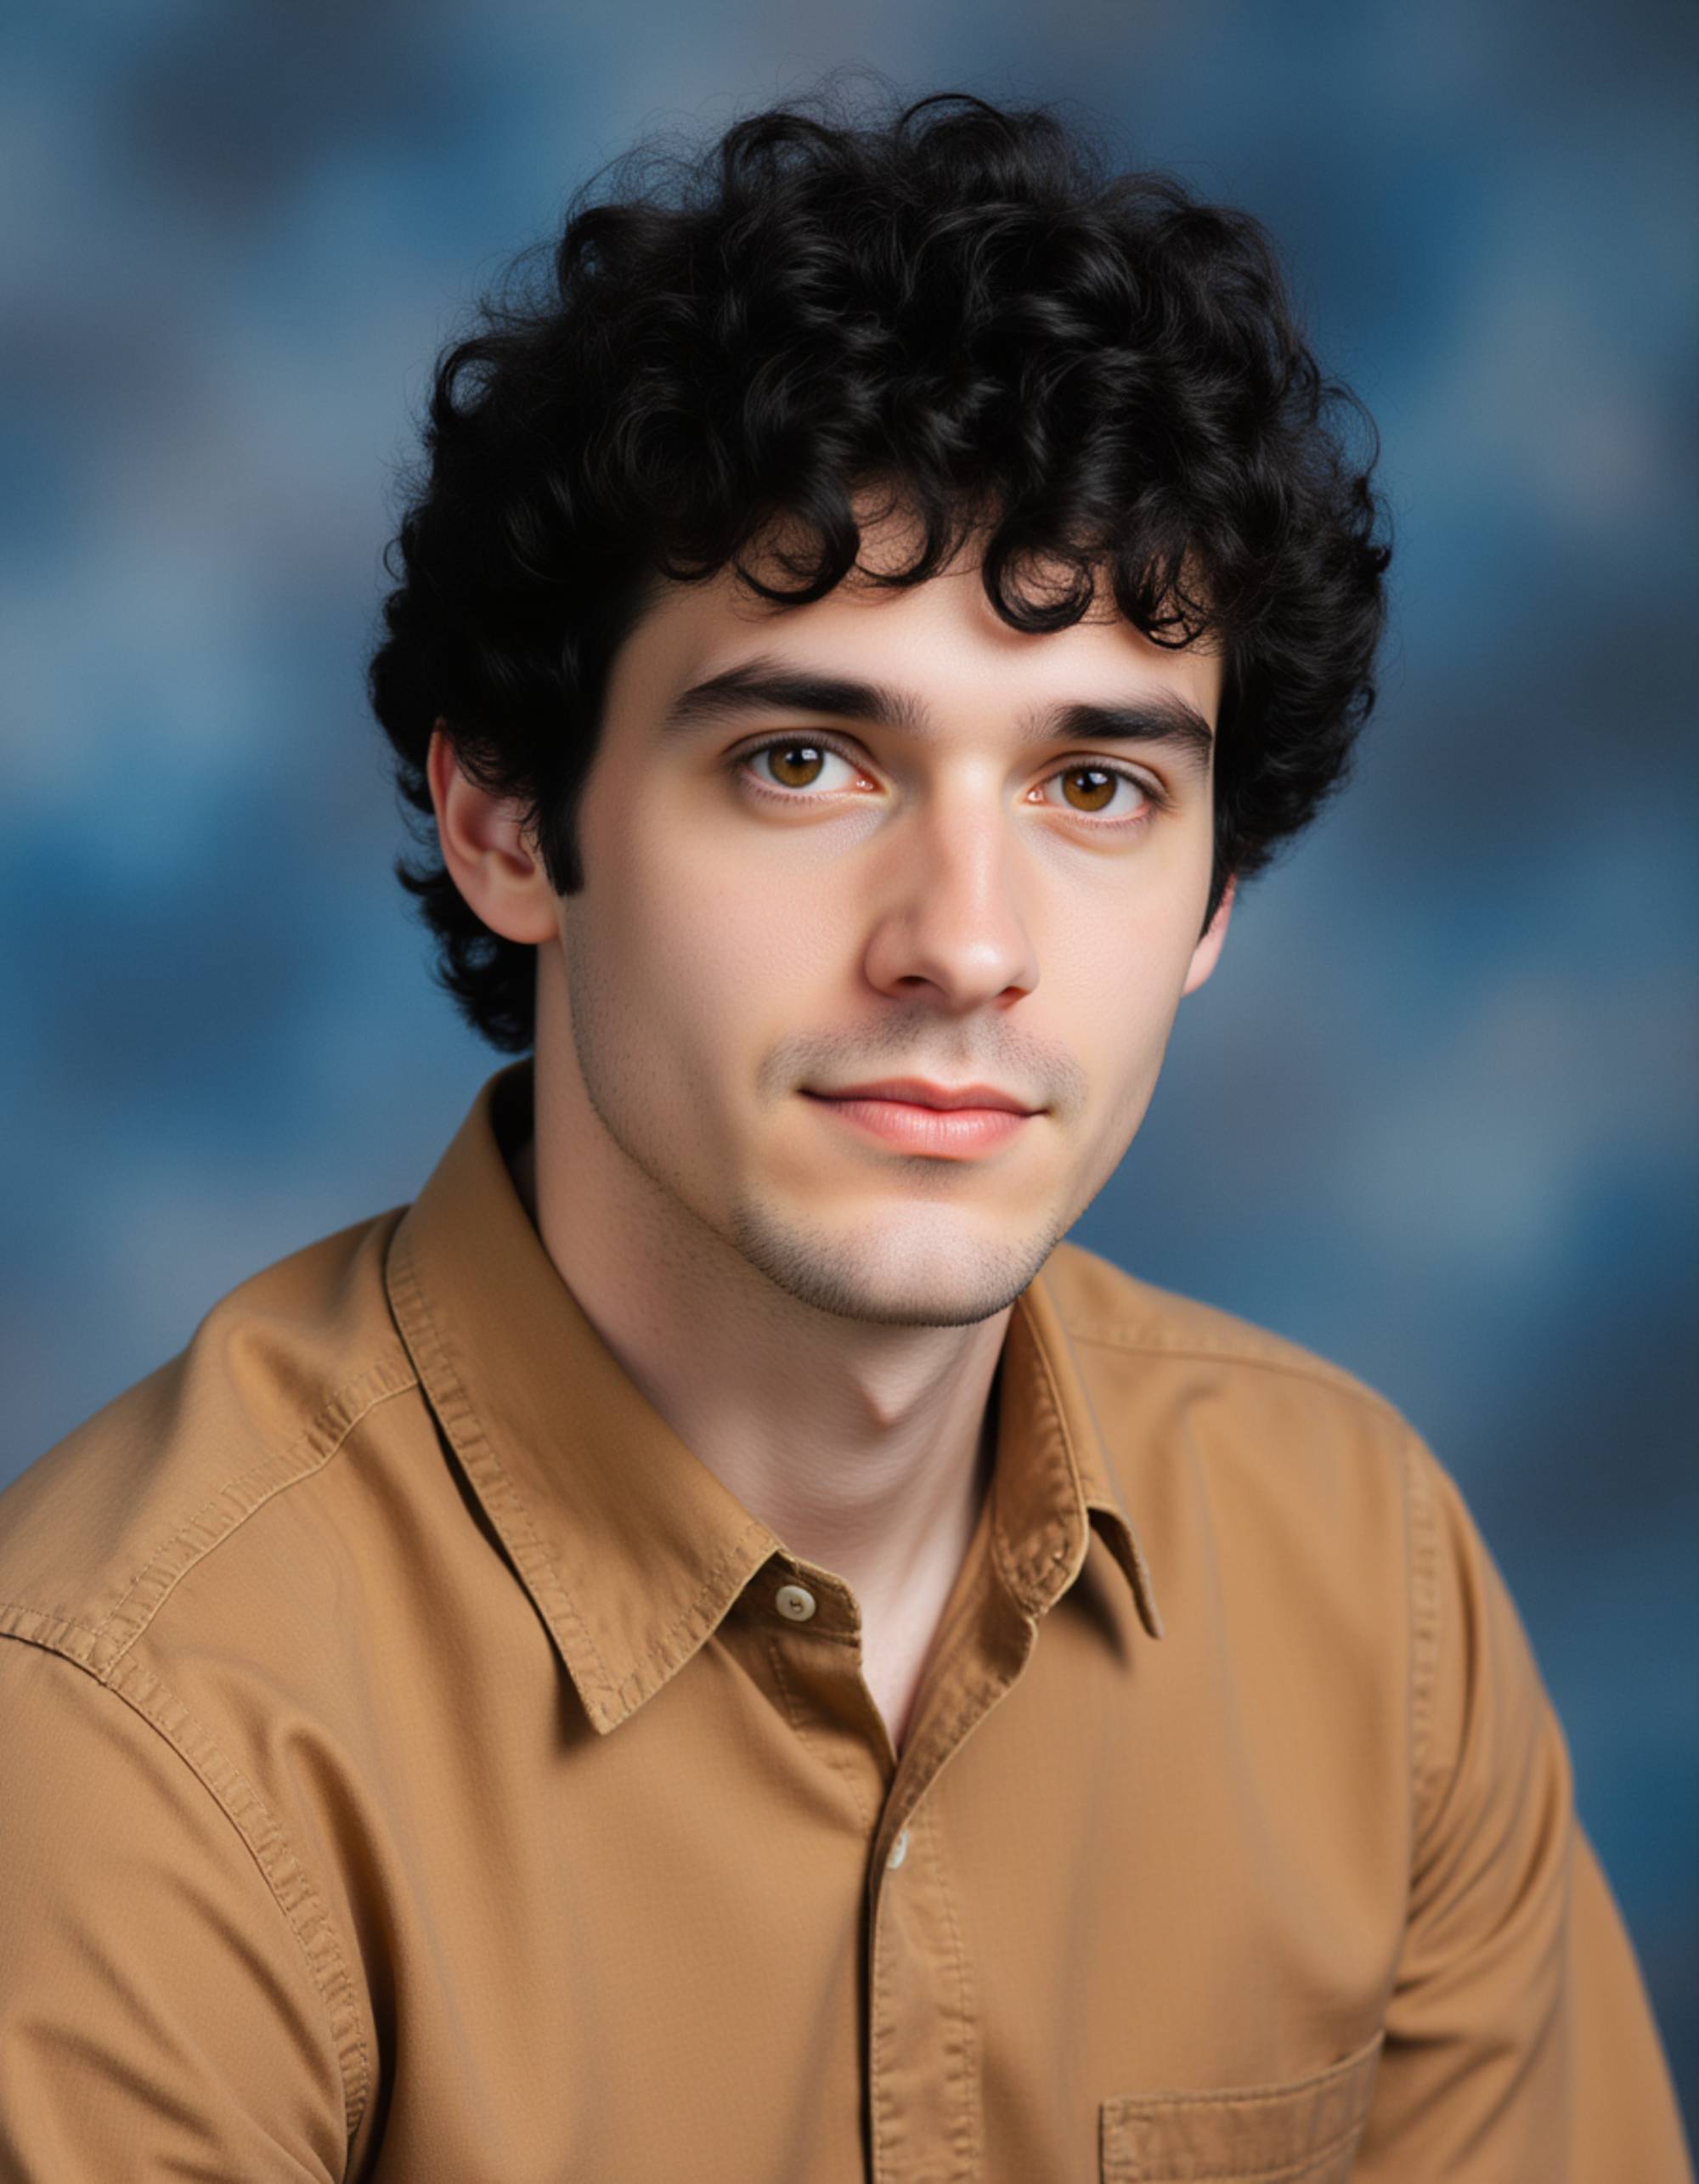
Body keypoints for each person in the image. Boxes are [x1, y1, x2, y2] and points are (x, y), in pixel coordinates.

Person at [0, 84, 1687, 2184]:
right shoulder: (118, 1734)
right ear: (510, 819)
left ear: (1214, 900)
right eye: (805, 759)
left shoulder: (1368, 1587)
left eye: (1096, 788)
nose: (965, 945)